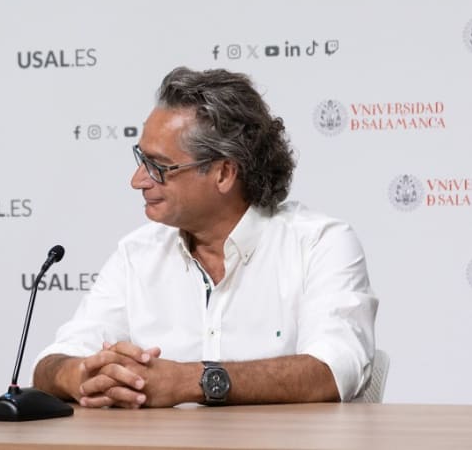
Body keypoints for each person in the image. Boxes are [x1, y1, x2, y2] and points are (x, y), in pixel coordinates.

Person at [33, 66, 377, 408]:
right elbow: (51, 364)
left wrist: (190, 381)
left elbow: (333, 370)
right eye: (141, 159)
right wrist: (82, 374)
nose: (138, 180)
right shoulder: (136, 255)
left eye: (158, 166)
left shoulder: (320, 244)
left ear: (224, 173)